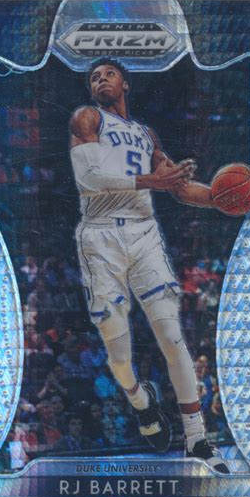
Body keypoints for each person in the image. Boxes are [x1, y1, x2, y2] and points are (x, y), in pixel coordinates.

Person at [68, 57, 229, 473]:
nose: (101, 80)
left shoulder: (145, 134)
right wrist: (151, 182)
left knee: (173, 337)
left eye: (109, 74)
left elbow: (177, 186)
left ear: (125, 83)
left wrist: (219, 198)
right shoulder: (87, 118)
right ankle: (141, 401)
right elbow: (88, 179)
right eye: (94, 77)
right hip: (100, 237)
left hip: (143, 234)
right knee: (118, 353)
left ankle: (197, 439)